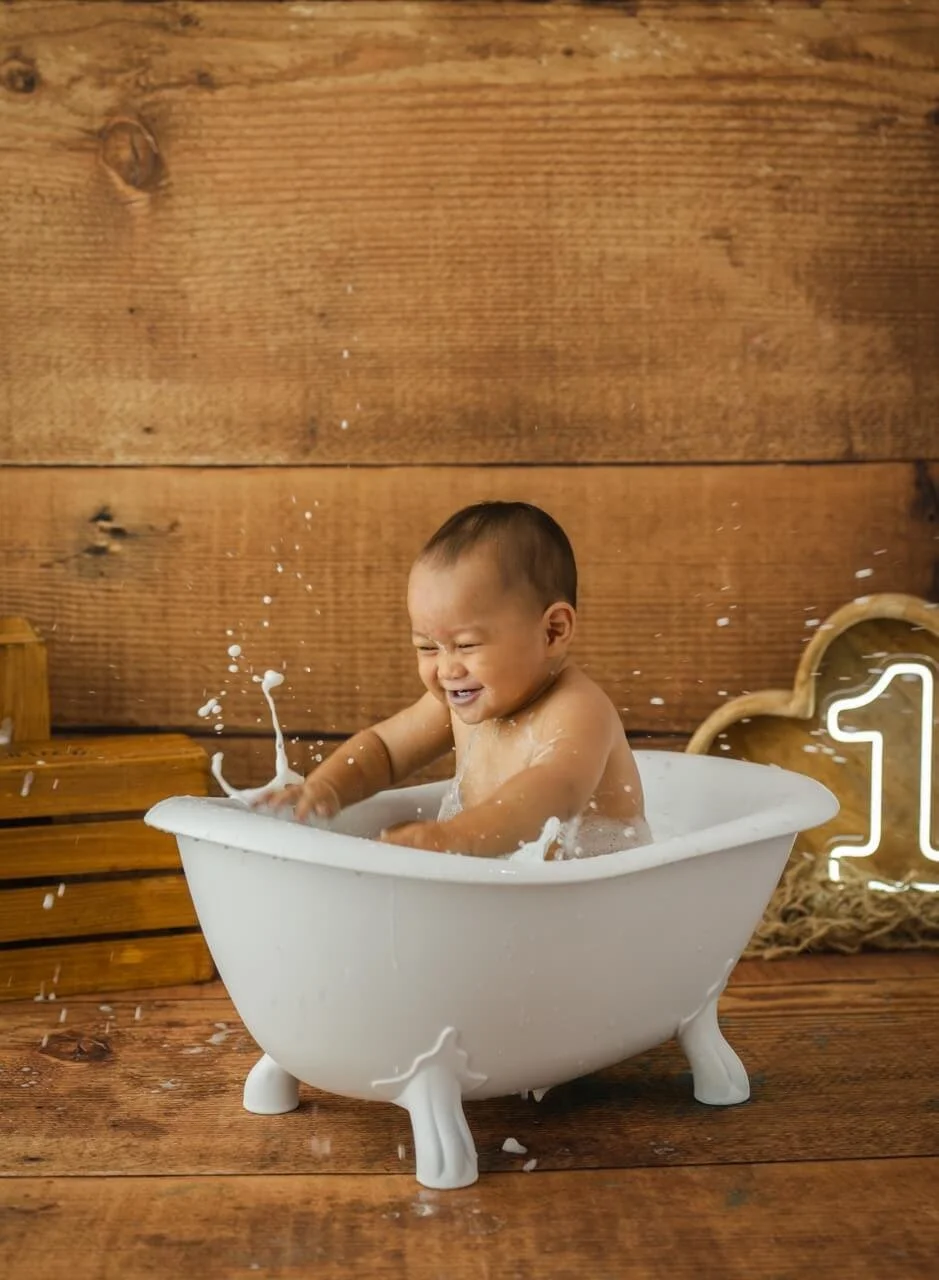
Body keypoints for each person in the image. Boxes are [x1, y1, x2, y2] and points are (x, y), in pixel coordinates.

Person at [265, 501, 651, 860]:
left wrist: (457, 837)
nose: (447, 669)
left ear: (552, 631)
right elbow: (384, 749)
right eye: (427, 648)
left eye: (466, 645)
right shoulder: (459, 700)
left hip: (589, 900)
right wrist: (328, 787)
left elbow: (555, 790)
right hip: (506, 888)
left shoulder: (578, 709)